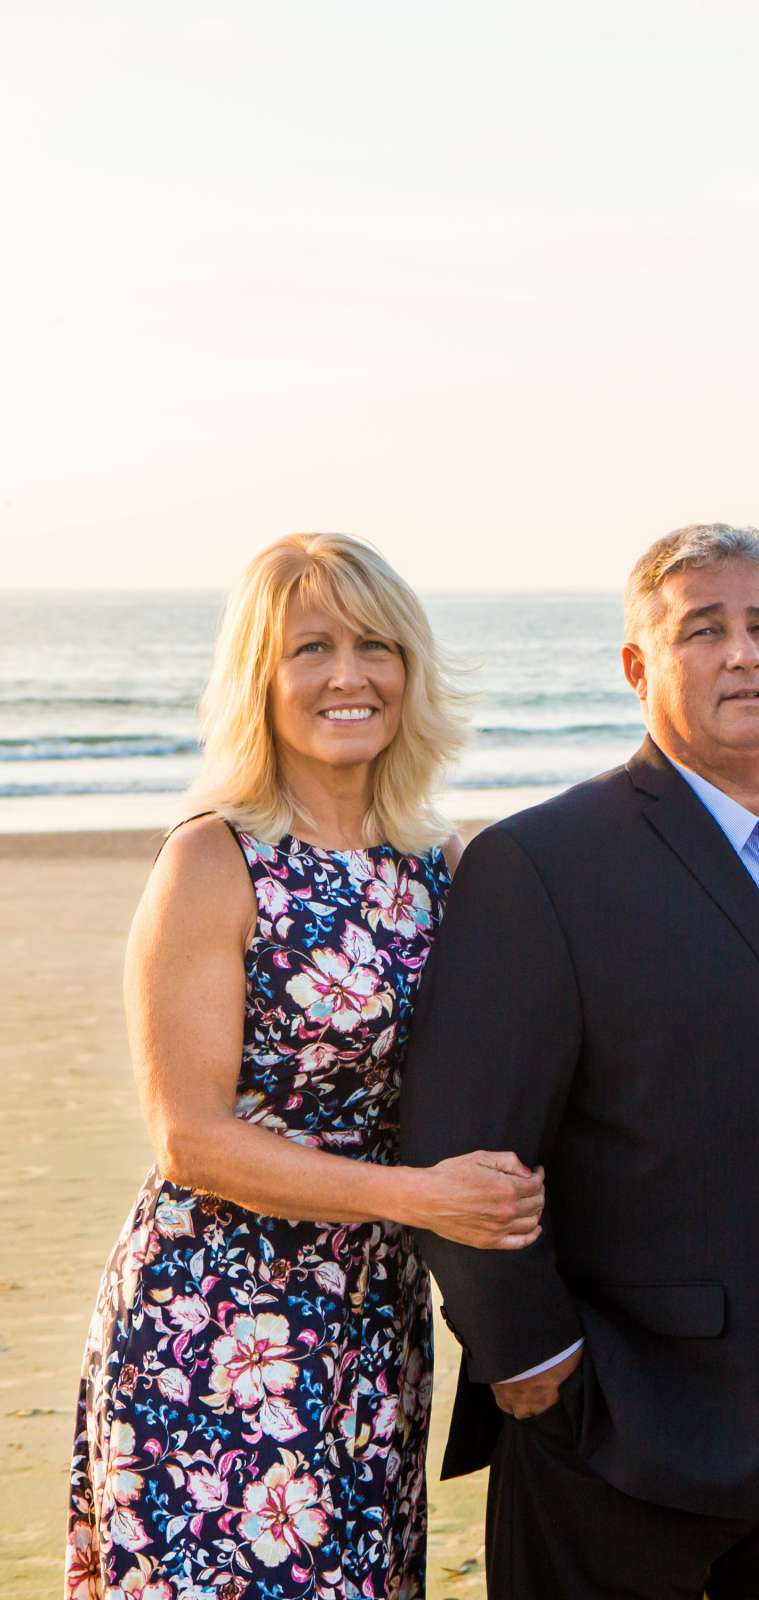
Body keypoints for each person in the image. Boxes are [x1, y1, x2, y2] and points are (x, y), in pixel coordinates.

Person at [396, 524, 759, 1600]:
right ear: (638, 668)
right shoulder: (544, 863)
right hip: (623, 1433)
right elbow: (458, 1144)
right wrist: (533, 1362)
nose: (745, 653)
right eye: (706, 630)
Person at [66, 532, 543, 1599]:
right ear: (259, 679)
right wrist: (417, 1196)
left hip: (374, 1330)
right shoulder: (213, 858)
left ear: (409, 669)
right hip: (215, 1323)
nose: (347, 675)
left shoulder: (441, 863)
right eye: (310, 647)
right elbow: (189, 1139)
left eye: (375, 645)